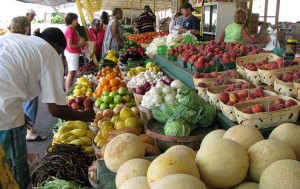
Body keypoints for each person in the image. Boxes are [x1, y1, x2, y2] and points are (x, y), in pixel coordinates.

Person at [0, 26, 95, 189]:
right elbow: (56, 110)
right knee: (12, 172)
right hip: (5, 112)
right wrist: (84, 116)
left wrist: (19, 111)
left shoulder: (17, 39)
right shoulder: (50, 54)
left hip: (6, 101)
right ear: (57, 46)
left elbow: (9, 72)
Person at [8, 16, 47, 142]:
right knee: (30, 101)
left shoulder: (6, 39)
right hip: (23, 77)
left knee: (14, 105)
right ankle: (30, 132)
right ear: (25, 27)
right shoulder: (27, 41)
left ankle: (21, 130)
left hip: (8, 79)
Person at [64, 13, 86, 93]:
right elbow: (70, 45)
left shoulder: (73, 29)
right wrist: (81, 45)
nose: (77, 21)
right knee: (71, 73)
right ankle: (67, 92)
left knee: (72, 73)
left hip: (74, 53)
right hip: (72, 54)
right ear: (72, 20)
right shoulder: (70, 30)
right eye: (76, 19)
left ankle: (68, 91)